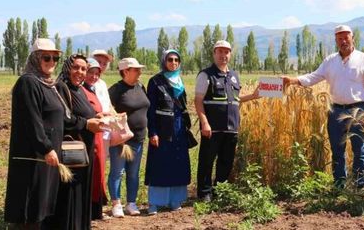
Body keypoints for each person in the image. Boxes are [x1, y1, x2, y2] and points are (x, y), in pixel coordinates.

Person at [282, 25, 364, 190]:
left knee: (360, 150)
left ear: (352, 38)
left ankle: (360, 187)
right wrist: (292, 80)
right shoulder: (330, 61)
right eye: (339, 38)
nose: (343, 41)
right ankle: (339, 186)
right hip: (335, 111)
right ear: (336, 40)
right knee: (337, 151)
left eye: (346, 38)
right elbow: (314, 76)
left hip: (359, 110)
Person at [4, 38, 65, 228]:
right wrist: (46, 147)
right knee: (30, 209)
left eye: (55, 58)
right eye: (46, 58)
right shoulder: (28, 82)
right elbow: (32, 120)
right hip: (34, 157)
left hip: (46, 158)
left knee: (41, 209)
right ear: (35, 58)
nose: (51, 62)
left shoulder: (48, 84)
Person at [45, 54, 107, 230]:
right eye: (76, 67)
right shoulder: (61, 88)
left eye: (83, 68)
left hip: (83, 153)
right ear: (67, 68)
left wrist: (97, 117)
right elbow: (64, 118)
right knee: (69, 196)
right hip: (70, 153)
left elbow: (82, 113)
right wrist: (87, 123)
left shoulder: (79, 89)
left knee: (81, 194)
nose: (80, 72)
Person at [195, 40, 260, 201]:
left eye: (226, 52)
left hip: (231, 128)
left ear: (230, 54)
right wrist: (204, 122)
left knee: (226, 161)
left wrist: (253, 96)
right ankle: (205, 193)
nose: (223, 55)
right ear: (214, 53)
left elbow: (236, 99)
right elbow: (197, 101)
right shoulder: (206, 75)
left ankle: (220, 192)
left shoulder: (234, 76)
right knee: (207, 161)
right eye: (220, 52)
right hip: (212, 128)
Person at [145, 50, 192, 214]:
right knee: (160, 164)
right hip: (162, 128)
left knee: (177, 163)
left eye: (176, 60)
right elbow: (150, 110)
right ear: (164, 61)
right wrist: (152, 132)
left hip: (178, 128)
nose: (173, 62)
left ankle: (174, 200)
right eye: (170, 59)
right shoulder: (155, 81)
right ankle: (154, 203)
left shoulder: (179, 81)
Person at [108, 58, 150, 217]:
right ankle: (116, 203)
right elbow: (108, 110)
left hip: (138, 139)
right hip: (121, 140)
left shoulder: (140, 87)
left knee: (133, 173)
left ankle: (131, 203)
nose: (140, 72)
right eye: (136, 69)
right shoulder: (116, 90)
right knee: (117, 172)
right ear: (125, 71)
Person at [81, 58, 111, 221]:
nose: (93, 76)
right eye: (90, 72)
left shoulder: (92, 90)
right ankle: (90, 211)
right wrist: (97, 115)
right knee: (91, 173)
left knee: (98, 172)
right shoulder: (81, 91)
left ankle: (96, 209)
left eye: (96, 74)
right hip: (89, 137)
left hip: (98, 136)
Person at [92, 50, 114, 156]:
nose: (101, 65)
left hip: (106, 130)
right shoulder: (84, 83)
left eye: (104, 64)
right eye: (98, 62)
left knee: (102, 162)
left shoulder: (103, 84)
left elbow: (108, 105)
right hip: (93, 130)